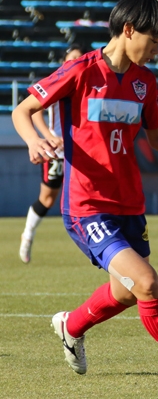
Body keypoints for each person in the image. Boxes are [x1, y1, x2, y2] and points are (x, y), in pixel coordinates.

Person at [11, 0, 158, 382]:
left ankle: (72, 326)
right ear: (129, 30)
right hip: (87, 206)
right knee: (147, 283)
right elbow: (23, 110)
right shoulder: (81, 70)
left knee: (126, 291)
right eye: (153, 43)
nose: (156, 52)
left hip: (129, 204)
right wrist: (35, 141)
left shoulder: (145, 82)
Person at [19, 44, 85, 264]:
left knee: (86, 196)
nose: (75, 61)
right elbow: (33, 110)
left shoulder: (91, 84)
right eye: (71, 57)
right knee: (47, 199)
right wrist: (48, 136)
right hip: (57, 151)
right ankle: (27, 235)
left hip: (84, 151)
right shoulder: (60, 80)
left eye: (80, 57)